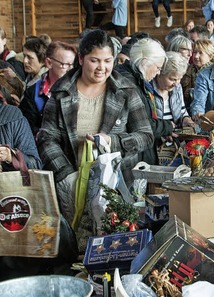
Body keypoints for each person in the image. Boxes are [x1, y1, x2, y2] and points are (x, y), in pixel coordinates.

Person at [37, 30, 153, 224]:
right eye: (95, 60)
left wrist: (113, 141)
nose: (102, 67)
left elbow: (146, 136)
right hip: (73, 185)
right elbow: (46, 138)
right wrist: (67, 176)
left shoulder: (126, 90)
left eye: (108, 61)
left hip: (118, 185)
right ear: (81, 59)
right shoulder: (61, 92)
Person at [116, 37, 172, 166]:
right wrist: (167, 127)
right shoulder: (130, 84)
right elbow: (143, 125)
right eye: (158, 67)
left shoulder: (134, 79)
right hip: (133, 157)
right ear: (145, 62)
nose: (158, 73)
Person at [20, 41, 77, 136]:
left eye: (72, 65)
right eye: (64, 64)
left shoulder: (80, 89)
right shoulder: (33, 93)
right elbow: (27, 128)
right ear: (49, 63)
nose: (70, 69)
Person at [151, 51, 195, 129]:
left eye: (179, 79)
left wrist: (185, 119)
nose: (176, 83)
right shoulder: (148, 89)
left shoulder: (177, 88)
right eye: (172, 79)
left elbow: (182, 111)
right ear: (160, 73)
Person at [181, 38, 214, 110]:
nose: (196, 56)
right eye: (195, 52)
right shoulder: (186, 70)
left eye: (200, 53)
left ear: (210, 56)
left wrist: (193, 92)